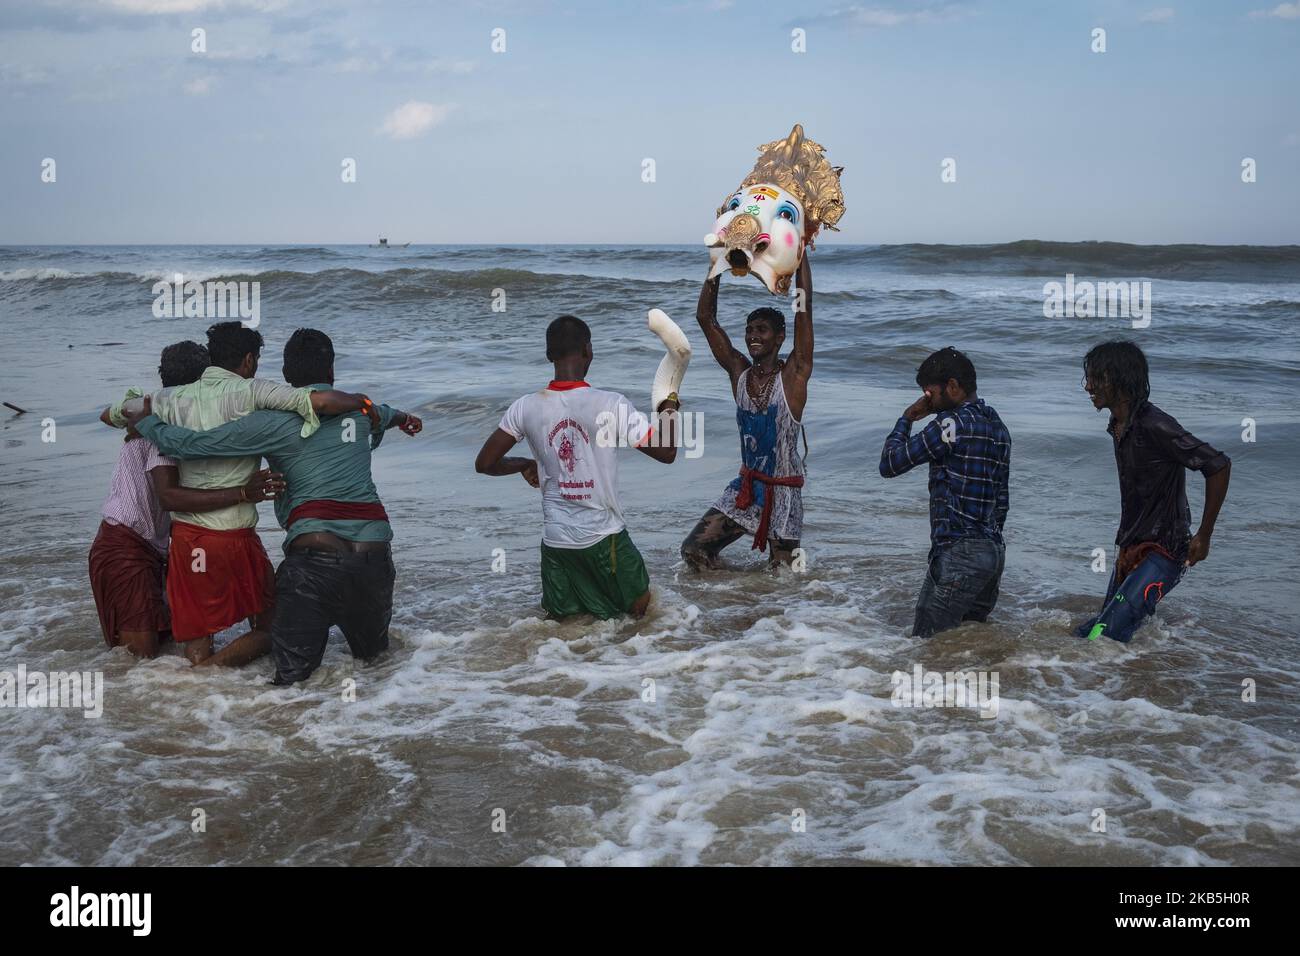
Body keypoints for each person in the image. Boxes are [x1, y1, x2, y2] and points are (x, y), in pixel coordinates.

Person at [125, 328, 423, 685]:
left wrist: (146, 421)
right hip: (375, 559)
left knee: (291, 685)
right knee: (376, 666)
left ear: (284, 377)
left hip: (315, 562)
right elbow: (387, 414)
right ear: (331, 372)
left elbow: (192, 445)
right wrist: (405, 419)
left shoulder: (271, 420)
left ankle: (201, 690)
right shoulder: (362, 412)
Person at [474, 315, 678, 620]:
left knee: (565, 625)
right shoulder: (610, 403)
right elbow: (666, 452)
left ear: (548, 355)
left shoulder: (524, 406)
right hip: (604, 536)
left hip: (556, 541)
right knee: (641, 613)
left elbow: (485, 463)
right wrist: (670, 409)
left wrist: (523, 464)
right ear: (588, 350)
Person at [89, 341, 284, 659]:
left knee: (156, 656)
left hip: (151, 547)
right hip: (125, 548)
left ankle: (194, 689)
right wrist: (243, 493)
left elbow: (108, 415)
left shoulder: (155, 416)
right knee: (139, 659)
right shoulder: (163, 428)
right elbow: (170, 497)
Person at [1075, 340, 1230, 643]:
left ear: (1116, 379)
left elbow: (1219, 465)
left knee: (1104, 637)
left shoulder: (1155, 424)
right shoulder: (1119, 425)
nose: (1088, 387)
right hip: (1131, 545)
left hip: (1165, 550)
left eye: (1094, 378)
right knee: (1091, 634)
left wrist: (1205, 534)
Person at [681, 255, 813, 569]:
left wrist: (800, 253)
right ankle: (737, 598)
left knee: (782, 576)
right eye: (750, 329)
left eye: (762, 330)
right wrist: (716, 266)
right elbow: (705, 318)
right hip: (745, 489)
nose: (753, 335)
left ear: (780, 338)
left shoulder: (794, 375)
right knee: (694, 551)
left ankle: (771, 612)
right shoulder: (739, 372)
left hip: (783, 492)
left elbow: (804, 312)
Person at [879, 347, 1011, 638]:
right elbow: (1002, 501)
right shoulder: (997, 425)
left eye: (929, 394)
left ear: (952, 386)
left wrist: (907, 418)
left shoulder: (950, 424)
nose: (929, 402)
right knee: (966, 646)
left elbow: (889, 464)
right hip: (993, 553)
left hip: (959, 554)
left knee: (928, 645)